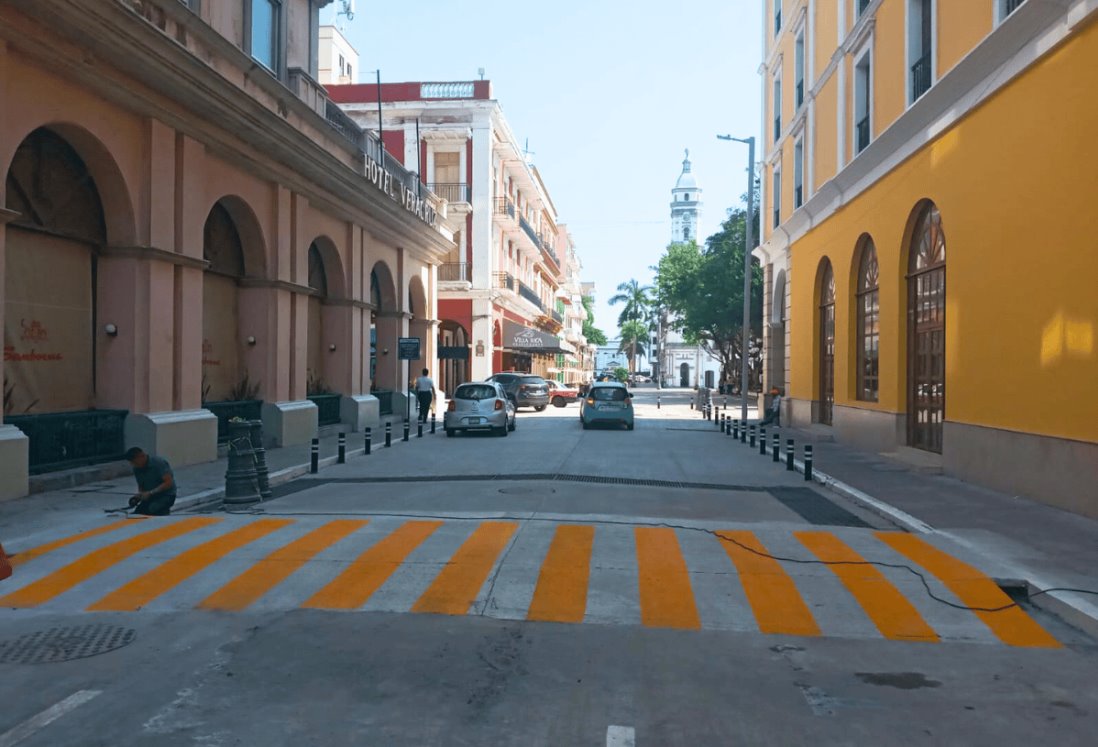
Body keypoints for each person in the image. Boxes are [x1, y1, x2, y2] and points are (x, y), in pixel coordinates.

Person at [125, 447, 177, 516]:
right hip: (150, 497)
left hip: (166, 495)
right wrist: (139, 496)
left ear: (142, 456)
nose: (133, 465)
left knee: (152, 510)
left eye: (135, 462)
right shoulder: (137, 468)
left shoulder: (158, 463)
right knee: (138, 513)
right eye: (132, 463)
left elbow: (169, 483)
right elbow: (141, 486)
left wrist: (151, 493)